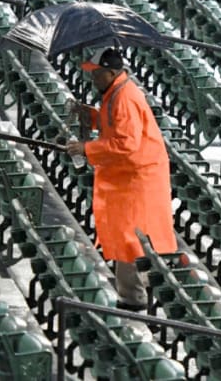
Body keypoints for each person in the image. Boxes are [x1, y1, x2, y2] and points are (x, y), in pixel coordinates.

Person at [65, 47, 177, 311]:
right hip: (130, 175)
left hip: (138, 177)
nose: (93, 79)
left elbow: (126, 142)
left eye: (97, 74)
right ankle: (136, 292)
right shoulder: (115, 92)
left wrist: (86, 149)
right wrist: (89, 114)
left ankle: (133, 298)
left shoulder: (124, 97)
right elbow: (111, 124)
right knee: (130, 235)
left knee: (131, 237)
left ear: (111, 72)